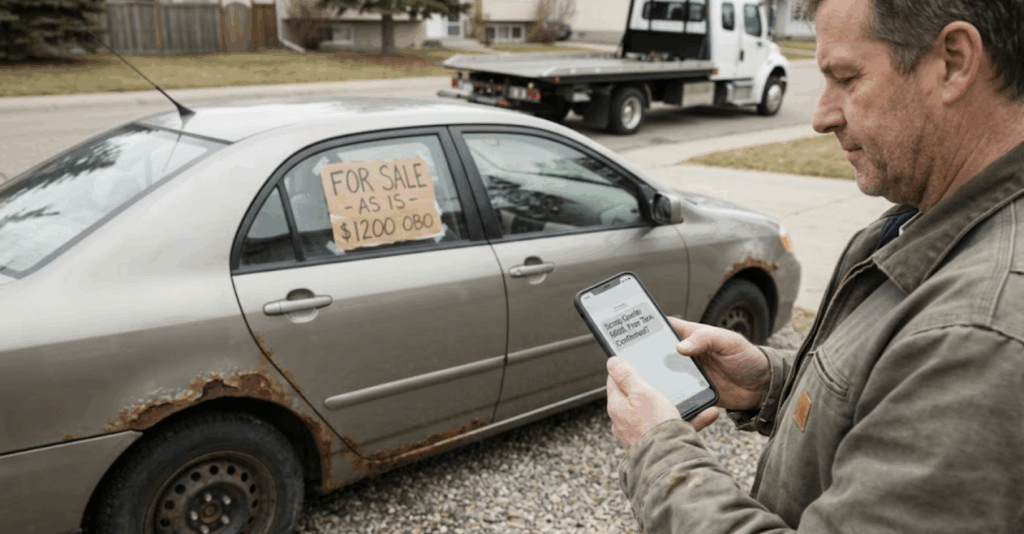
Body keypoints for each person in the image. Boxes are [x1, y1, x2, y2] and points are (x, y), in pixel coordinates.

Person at [605, 0, 1024, 531]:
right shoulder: (925, 219)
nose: (821, 117)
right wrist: (770, 383)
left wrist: (657, 453)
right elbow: (892, 392)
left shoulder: (981, 334)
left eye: (846, 77)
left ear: (953, 62)